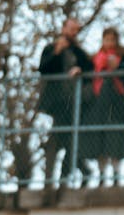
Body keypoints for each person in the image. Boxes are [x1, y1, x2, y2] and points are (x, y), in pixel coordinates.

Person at [37, 16, 93, 188]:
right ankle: (76, 172)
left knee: (64, 138)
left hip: (75, 102)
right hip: (57, 102)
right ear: (63, 29)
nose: (73, 32)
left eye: (76, 30)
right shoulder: (51, 48)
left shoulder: (79, 52)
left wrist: (80, 69)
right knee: (64, 138)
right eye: (71, 28)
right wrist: (56, 52)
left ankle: (65, 176)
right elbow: (44, 69)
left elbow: (90, 70)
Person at [85, 27, 124, 186]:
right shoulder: (94, 59)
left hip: (117, 105)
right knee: (99, 139)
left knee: (115, 139)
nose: (109, 42)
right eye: (106, 39)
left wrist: (118, 66)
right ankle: (101, 174)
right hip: (99, 105)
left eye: (112, 39)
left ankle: (116, 174)